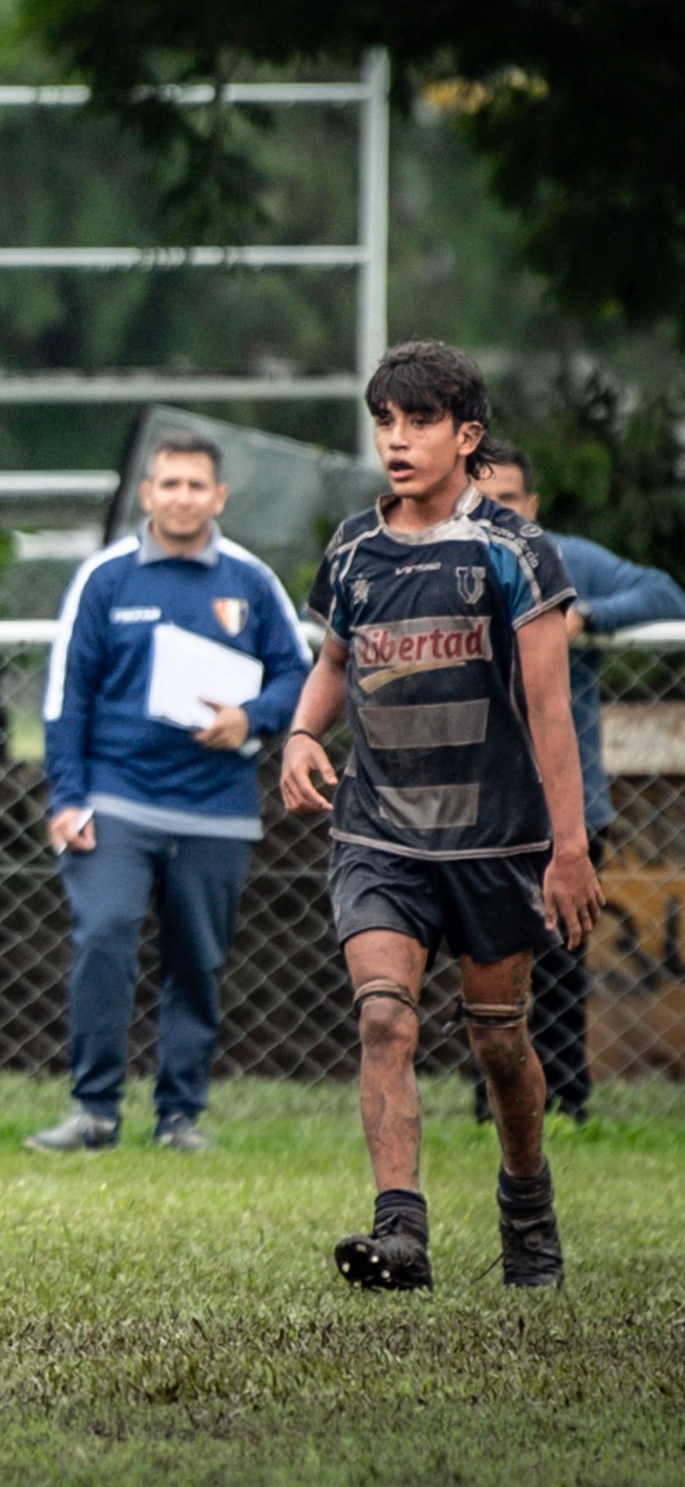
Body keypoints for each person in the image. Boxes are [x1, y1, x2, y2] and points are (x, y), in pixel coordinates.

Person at [283, 340, 604, 1291]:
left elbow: (551, 711)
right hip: (379, 835)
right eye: (385, 420)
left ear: (467, 436)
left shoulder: (511, 551)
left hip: (495, 840)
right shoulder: (352, 546)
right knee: (384, 1017)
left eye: (419, 421)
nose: (397, 438)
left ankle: (527, 1205)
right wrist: (303, 734)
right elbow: (336, 664)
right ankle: (402, 1234)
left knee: (500, 1041)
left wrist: (571, 848)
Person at [29, 431, 312, 1154]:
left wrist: (253, 717)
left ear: (219, 497)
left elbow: (301, 675)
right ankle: (93, 1111)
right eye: (169, 483)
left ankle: (178, 1116)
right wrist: (67, 797)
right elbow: (67, 696)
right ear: (147, 493)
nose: (182, 496)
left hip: (217, 808)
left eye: (196, 485)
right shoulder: (105, 578)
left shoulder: (250, 581)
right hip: (115, 798)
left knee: (197, 959)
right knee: (105, 934)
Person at [471, 446, 685, 1123]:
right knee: (489, 965)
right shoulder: (444, 562)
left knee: (563, 963)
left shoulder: (564, 559)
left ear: (532, 506)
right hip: (477, 806)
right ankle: (492, 1106)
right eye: (482, 499)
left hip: (570, 807)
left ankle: (567, 1101)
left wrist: (584, 616)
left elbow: (663, 592)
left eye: (509, 499)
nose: (496, 513)